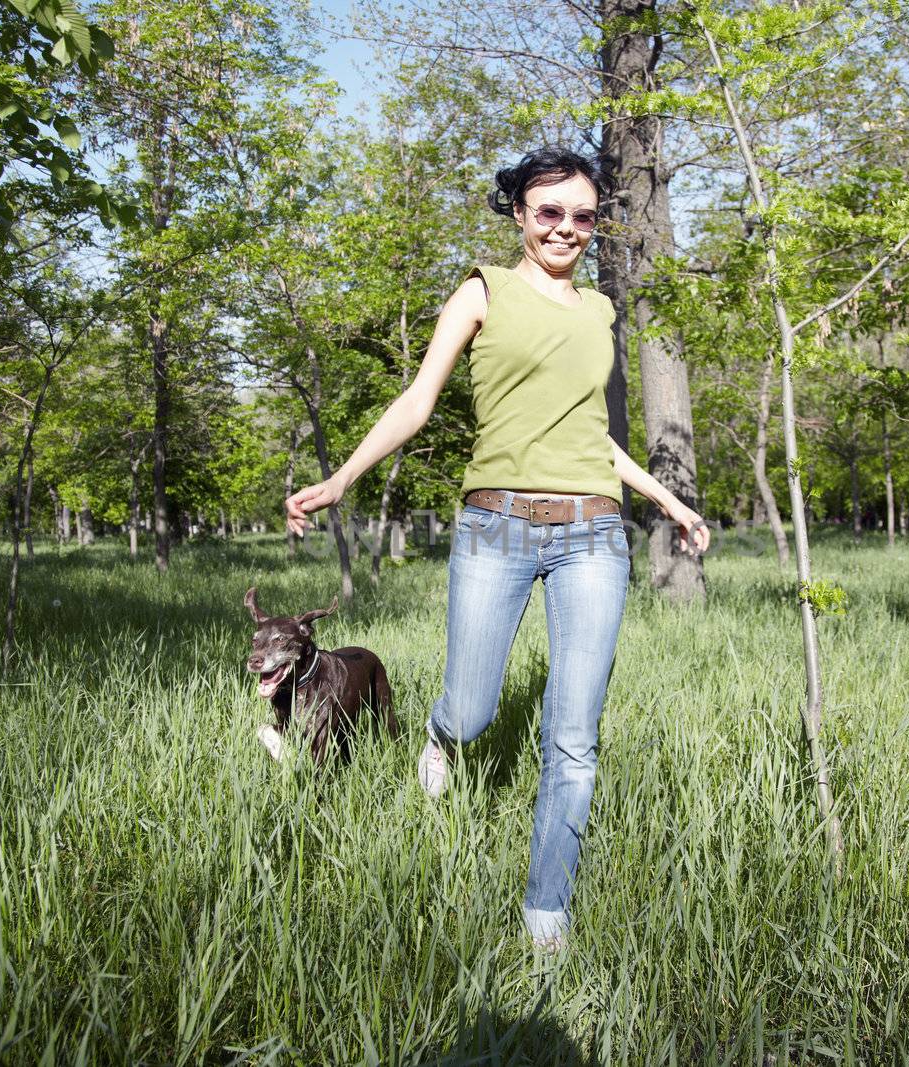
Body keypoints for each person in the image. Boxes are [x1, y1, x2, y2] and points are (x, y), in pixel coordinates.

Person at [285, 147, 709, 951]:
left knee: (574, 736)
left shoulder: (601, 313)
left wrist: (669, 501)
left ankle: (546, 914)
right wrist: (341, 478)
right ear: (519, 213)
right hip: (496, 525)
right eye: (549, 211)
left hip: (592, 532)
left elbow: (597, 441)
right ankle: (442, 734)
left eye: (583, 216)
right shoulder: (483, 290)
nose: (567, 229)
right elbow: (419, 398)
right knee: (475, 708)